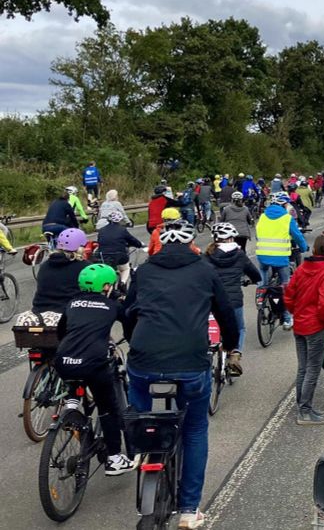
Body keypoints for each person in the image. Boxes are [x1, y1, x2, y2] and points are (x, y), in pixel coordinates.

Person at [124, 219, 239, 529]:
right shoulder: (204, 270)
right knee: (195, 429)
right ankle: (189, 509)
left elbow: (128, 312)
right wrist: (231, 346)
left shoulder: (145, 271)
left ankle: (138, 443)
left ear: (161, 242)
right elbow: (225, 313)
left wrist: (135, 337)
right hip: (190, 362)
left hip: (144, 360)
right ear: (191, 243)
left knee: (139, 407)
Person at [55, 263, 135, 475]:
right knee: (108, 408)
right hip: (93, 364)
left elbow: (61, 331)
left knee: (74, 373)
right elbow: (130, 326)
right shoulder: (112, 306)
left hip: (63, 360)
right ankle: (115, 458)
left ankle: (71, 402)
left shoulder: (72, 303)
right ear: (107, 286)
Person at [285, 235, 324, 425]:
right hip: (316, 325)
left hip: (300, 323)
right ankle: (305, 411)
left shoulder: (301, 269)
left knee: (303, 367)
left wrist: (296, 311)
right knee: (313, 369)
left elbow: (289, 295)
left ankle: (302, 404)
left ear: (315, 250)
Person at [205, 222, 261, 376]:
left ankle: (209, 352)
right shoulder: (239, 255)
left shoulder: (207, 255)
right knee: (240, 328)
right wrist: (253, 280)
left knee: (209, 327)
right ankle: (235, 354)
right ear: (231, 238)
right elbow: (255, 274)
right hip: (233, 300)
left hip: (212, 301)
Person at [256, 192, 309, 329]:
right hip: (280, 257)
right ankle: (287, 319)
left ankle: (261, 294)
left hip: (262, 255)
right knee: (286, 286)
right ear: (284, 205)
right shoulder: (287, 218)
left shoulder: (262, 217)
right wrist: (304, 247)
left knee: (264, 278)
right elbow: (297, 235)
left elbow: (258, 235)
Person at [32, 228, 89, 313]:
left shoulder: (44, 265)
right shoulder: (85, 267)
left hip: (39, 313)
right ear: (80, 248)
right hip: (67, 315)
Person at [91, 210, 143, 287]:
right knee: (125, 268)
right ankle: (122, 283)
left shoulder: (102, 230)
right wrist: (139, 245)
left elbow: (100, 242)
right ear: (120, 220)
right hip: (120, 255)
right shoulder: (122, 230)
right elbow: (132, 240)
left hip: (104, 256)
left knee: (108, 270)